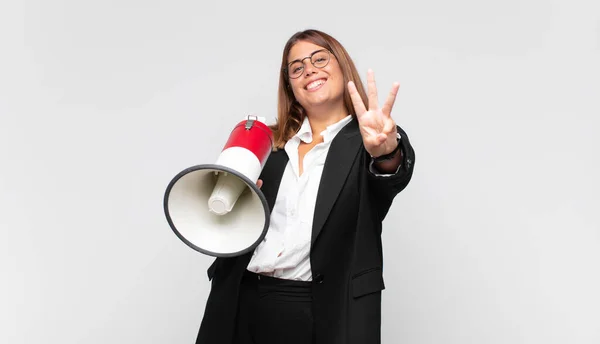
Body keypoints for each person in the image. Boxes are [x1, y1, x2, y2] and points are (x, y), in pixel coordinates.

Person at [195, 29, 415, 344]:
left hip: (321, 308)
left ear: (342, 67)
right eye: (296, 67)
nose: (308, 69)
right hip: (242, 300)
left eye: (319, 58)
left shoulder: (370, 141)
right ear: (291, 85)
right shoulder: (267, 144)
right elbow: (226, 221)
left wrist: (386, 151)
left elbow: (391, 172)